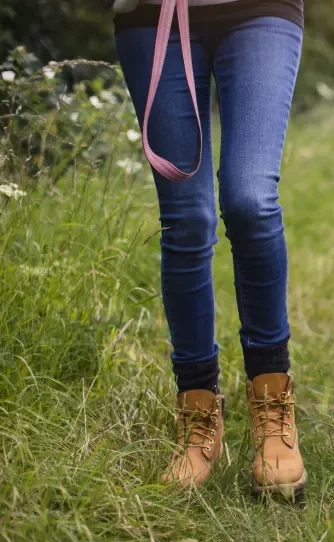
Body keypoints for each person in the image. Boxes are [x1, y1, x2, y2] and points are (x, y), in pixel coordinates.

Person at [112, 0, 306, 499]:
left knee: (251, 200)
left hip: (260, 12)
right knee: (187, 219)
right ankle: (198, 409)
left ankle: (271, 405)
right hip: (153, 15)